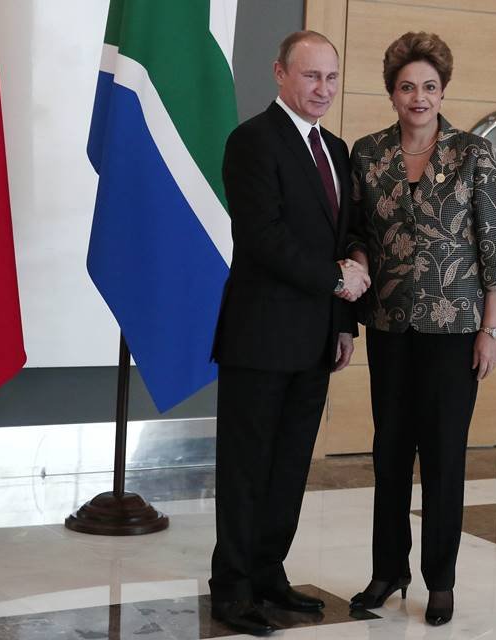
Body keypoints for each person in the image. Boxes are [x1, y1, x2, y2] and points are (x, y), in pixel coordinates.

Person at [345, 31, 496, 626]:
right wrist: (357, 272)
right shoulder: (367, 155)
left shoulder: (474, 154)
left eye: (429, 87)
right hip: (390, 327)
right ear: (392, 92)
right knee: (390, 453)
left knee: (443, 456)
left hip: (455, 331)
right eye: (406, 87)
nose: (418, 97)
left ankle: (439, 579)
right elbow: (359, 237)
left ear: (443, 91)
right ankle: (388, 568)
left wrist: (491, 329)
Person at [209, 30, 370, 637]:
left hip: (316, 339)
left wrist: (346, 312)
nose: (322, 89)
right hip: (260, 336)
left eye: (330, 77)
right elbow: (264, 237)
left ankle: (269, 573)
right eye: (310, 77)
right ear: (280, 73)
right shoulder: (251, 141)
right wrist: (336, 280)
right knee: (248, 465)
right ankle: (232, 588)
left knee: (289, 465)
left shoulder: (337, 147)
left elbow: (349, 231)